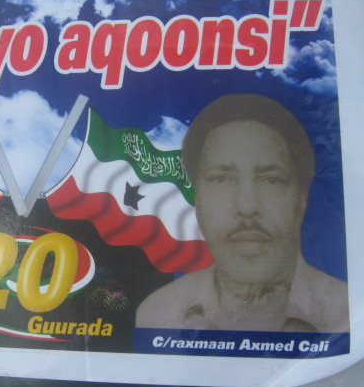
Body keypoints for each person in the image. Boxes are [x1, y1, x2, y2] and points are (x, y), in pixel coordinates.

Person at [136, 94, 348, 332]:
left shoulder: (348, 316)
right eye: (221, 179)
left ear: (302, 195)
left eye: (271, 180)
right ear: (197, 197)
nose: (247, 207)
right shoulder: (160, 314)